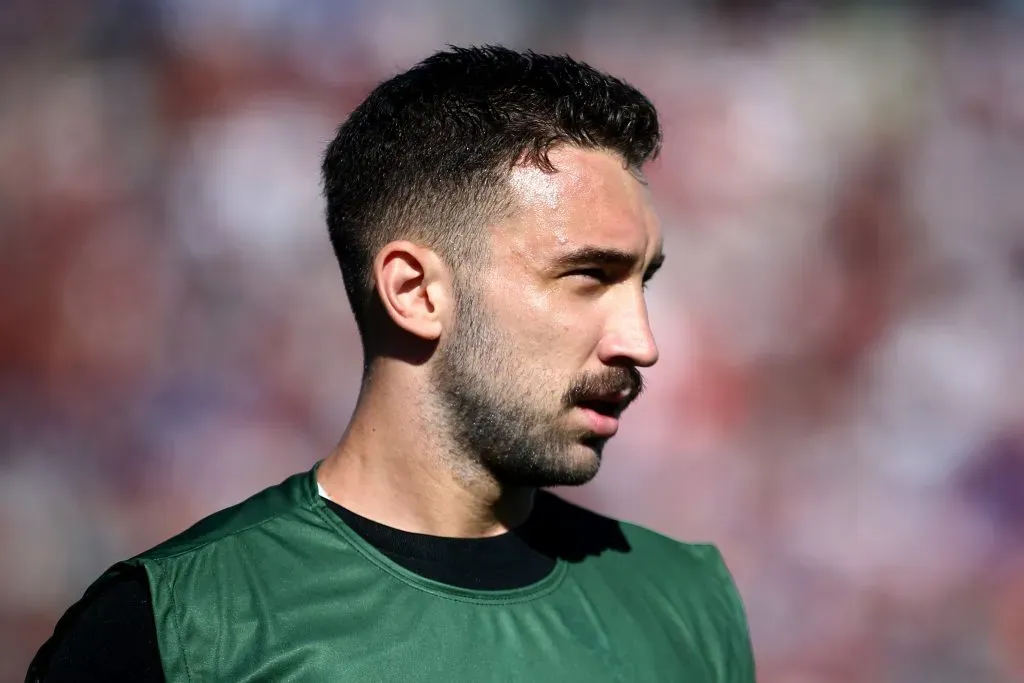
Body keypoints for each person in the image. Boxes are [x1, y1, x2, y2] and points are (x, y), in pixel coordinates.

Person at [27, 45, 756, 682]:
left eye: (643, 280)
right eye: (588, 277)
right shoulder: (183, 627)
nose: (641, 340)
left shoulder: (686, 602)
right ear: (415, 291)